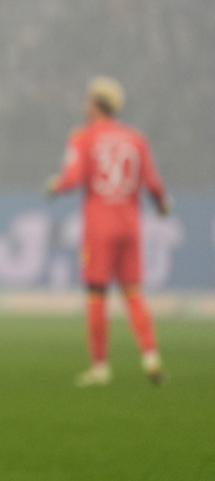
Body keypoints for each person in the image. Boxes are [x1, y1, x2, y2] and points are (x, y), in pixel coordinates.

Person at [47, 76, 170, 387]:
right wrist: (162, 205)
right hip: (130, 224)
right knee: (133, 293)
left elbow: (73, 177)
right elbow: (153, 182)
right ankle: (151, 357)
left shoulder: (83, 138)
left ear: (94, 104)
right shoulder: (136, 139)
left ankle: (100, 367)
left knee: (97, 294)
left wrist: (55, 186)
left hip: (100, 226)